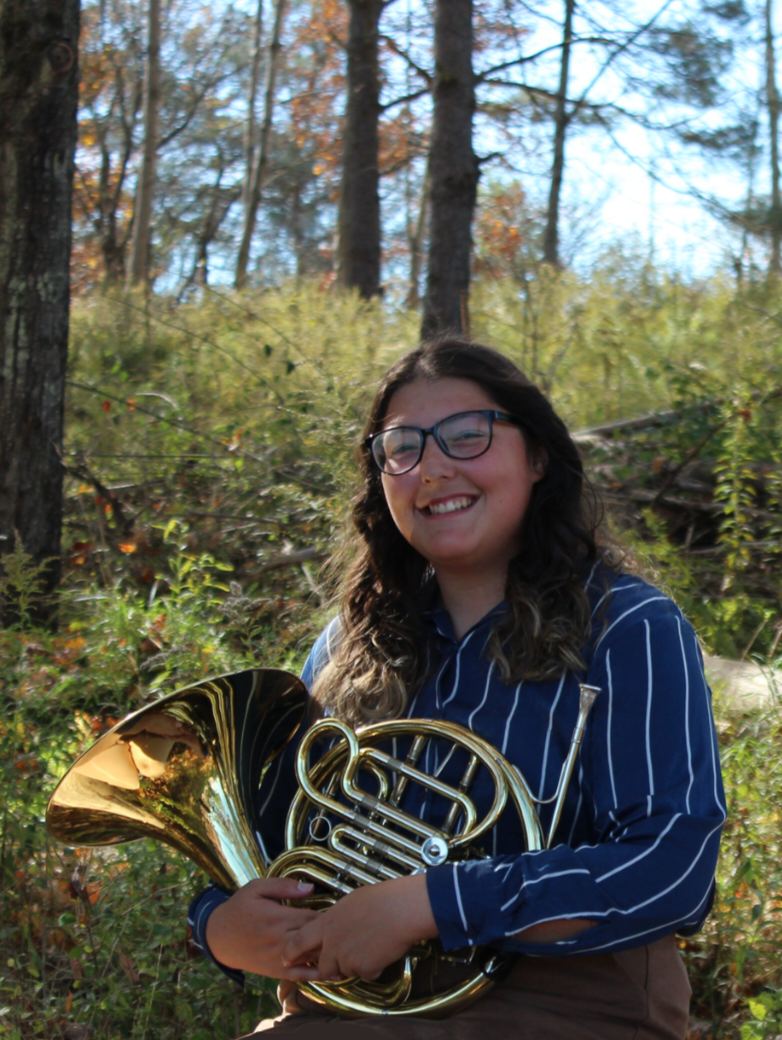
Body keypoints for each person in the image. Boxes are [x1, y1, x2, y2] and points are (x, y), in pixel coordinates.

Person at [188, 338, 726, 1039]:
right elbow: (269, 841)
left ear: (537, 457)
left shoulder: (628, 626)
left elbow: (673, 868)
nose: (433, 468)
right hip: (351, 1006)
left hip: (567, 1006)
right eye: (401, 448)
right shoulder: (346, 647)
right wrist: (218, 924)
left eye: (468, 436)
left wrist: (434, 904)